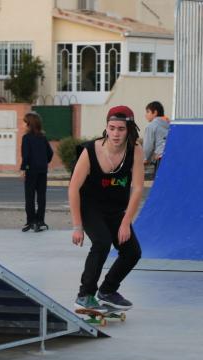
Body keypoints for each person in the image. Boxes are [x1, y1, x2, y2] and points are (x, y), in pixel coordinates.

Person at [68, 105, 144, 311]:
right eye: (111, 128)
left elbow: (137, 188)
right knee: (102, 243)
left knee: (132, 252)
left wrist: (126, 222)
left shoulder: (135, 151)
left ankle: (108, 290)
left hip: (116, 210)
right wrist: (77, 226)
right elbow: (73, 188)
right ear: (106, 128)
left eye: (120, 129)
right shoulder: (90, 151)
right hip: (90, 207)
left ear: (128, 129)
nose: (116, 134)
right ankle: (85, 295)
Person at [20, 111, 53, 233]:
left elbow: (26, 155)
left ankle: (31, 221)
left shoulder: (26, 138)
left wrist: (24, 169)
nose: (23, 125)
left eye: (24, 123)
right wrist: (44, 162)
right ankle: (40, 221)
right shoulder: (42, 138)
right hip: (42, 170)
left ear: (29, 124)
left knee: (30, 197)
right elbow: (50, 153)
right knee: (41, 197)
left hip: (31, 170)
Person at [143, 101, 170, 178]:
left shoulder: (151, 126)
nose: (145, 115)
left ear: (155, 112)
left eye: (148, 112)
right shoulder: (170, 124)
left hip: (160, 158)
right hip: (172, 156)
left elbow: (148, 146)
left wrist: (145, 159)